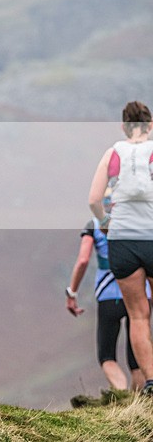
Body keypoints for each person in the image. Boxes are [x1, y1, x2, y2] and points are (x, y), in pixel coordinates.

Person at [88, 100, 153, 395]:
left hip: (122, 239)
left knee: (138, 315)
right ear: (150, 125)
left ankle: (150, 381)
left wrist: (105, 223)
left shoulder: (112, 153)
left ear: (124, 127)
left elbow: (94, 199)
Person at [66, 192, 149, 391]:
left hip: (109, 293)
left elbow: (83, 260)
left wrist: (72, 292)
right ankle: (138, 401)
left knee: (107, 355)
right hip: (140, 293)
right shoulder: (139, 223)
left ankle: (121, 393)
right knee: (137, 356)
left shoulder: (94, 225)